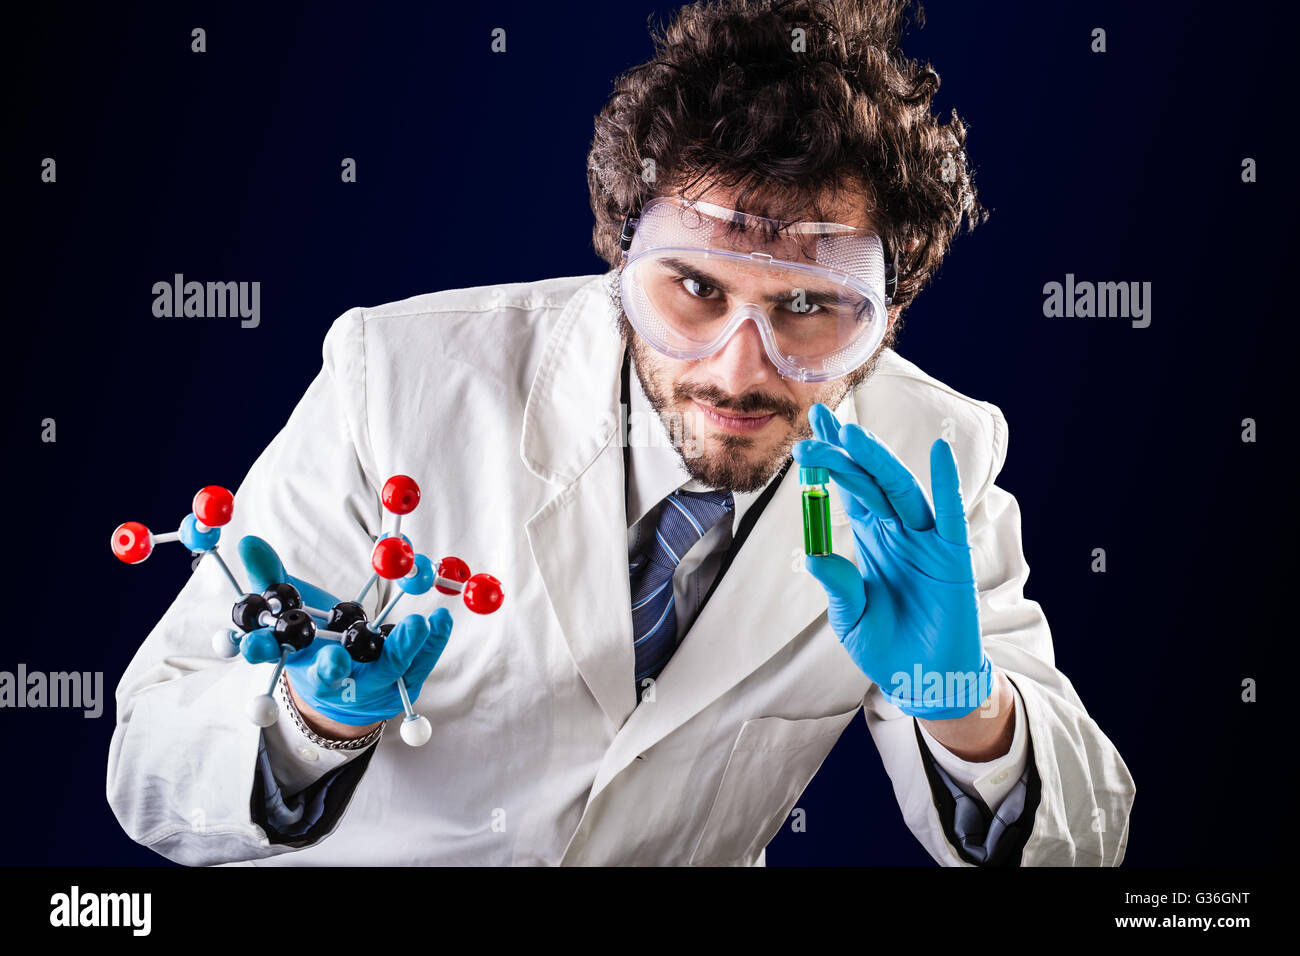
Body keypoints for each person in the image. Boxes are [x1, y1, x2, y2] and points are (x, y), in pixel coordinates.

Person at [107, 0, 1134, 866]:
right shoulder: (402, 379)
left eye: (810, 307)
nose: (740, 366)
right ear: (619, 255)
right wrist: (309, 723)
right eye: (693, 286)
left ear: (892, 309)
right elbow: (148, 764)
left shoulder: (931, 459)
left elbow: (1090, 839)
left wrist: (966, 704)